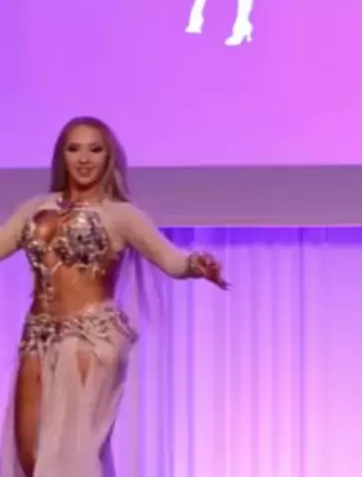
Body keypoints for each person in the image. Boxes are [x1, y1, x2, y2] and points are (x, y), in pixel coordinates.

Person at [0, 116, 227, 477]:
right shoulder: (35, 208)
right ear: (61, 155)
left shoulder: (121, 215)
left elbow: (171, 260)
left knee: (70, 452)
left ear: (109, 157)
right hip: (37, 338)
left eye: (95, 149)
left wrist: (196, 264)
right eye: (74, 149)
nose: (84, 159)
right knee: (29, 454)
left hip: (92, 339)